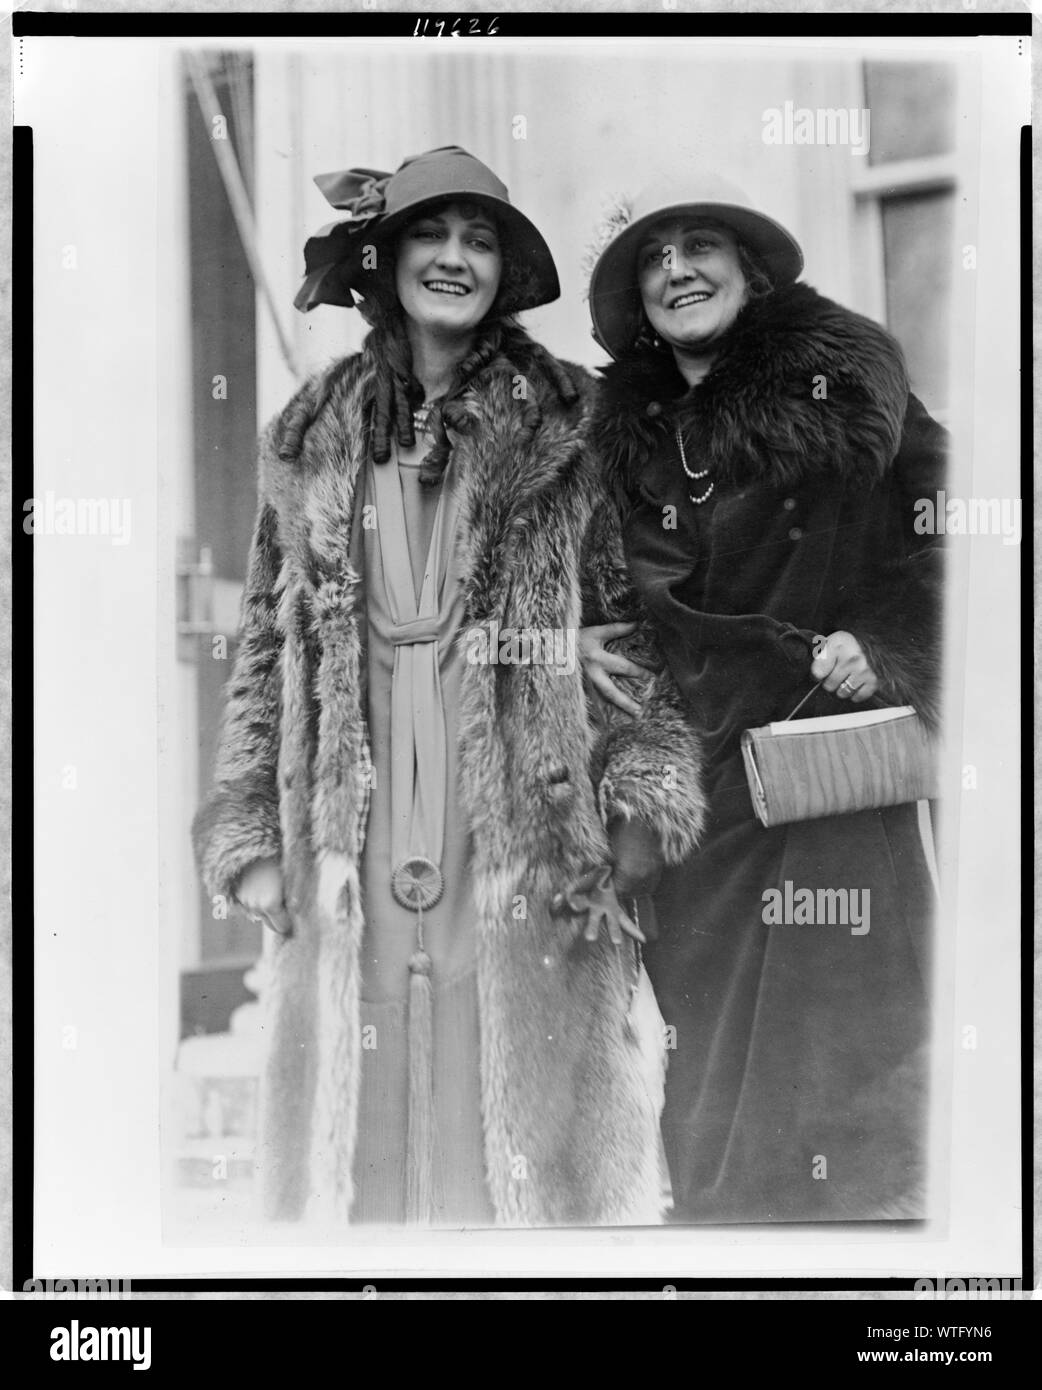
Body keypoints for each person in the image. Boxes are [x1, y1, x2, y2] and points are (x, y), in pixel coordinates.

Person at [192, 147, 705, 1227]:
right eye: (431, 235)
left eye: (479, 241)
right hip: (353, 827)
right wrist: (245, 840)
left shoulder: (566, 426)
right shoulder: (308, 434)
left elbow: (631, 634)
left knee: (516, 1151)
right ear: (386, 260)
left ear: (504, 273)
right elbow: (260, 653)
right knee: (360, 1140)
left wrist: (633, 812)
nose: (454, 259)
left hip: (520, 826)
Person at [584, 172, 947, 1223]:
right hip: (698, 791)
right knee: (710, 1085)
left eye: (700, 247)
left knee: (845, 1058)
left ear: (749, 268)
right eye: (652, 260)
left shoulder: (841, 384)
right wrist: (571, 634)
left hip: (825, 772)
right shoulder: (623, 440)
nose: (677, 271)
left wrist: (888, 643)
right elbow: (581, 578)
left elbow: (954, 521)